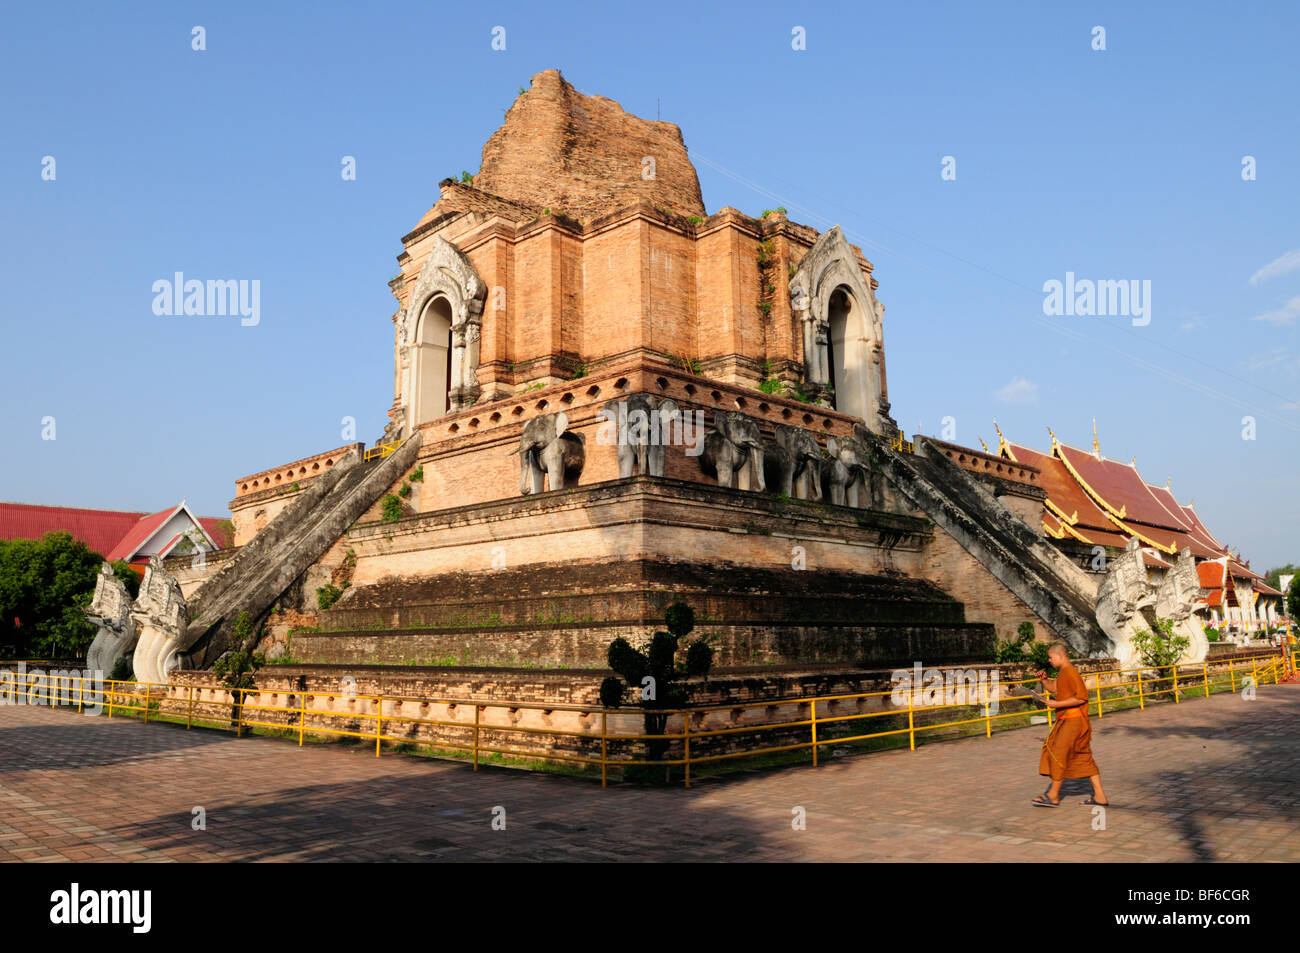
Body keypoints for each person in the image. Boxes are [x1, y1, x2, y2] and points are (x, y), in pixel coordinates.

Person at [1032, 641, 1109, 807]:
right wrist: (1044, 681)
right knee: (1083, 757)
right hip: (1069, 720)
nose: (1050, 661)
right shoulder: (1063, 673)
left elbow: (1081, 697)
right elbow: (1054, 689)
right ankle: (1100, 796)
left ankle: (1053, 795)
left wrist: (1055, 704)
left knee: (1057, 752)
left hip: (1073, 721)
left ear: (1060, 656)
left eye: (1051, 657)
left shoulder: (1071, 672)